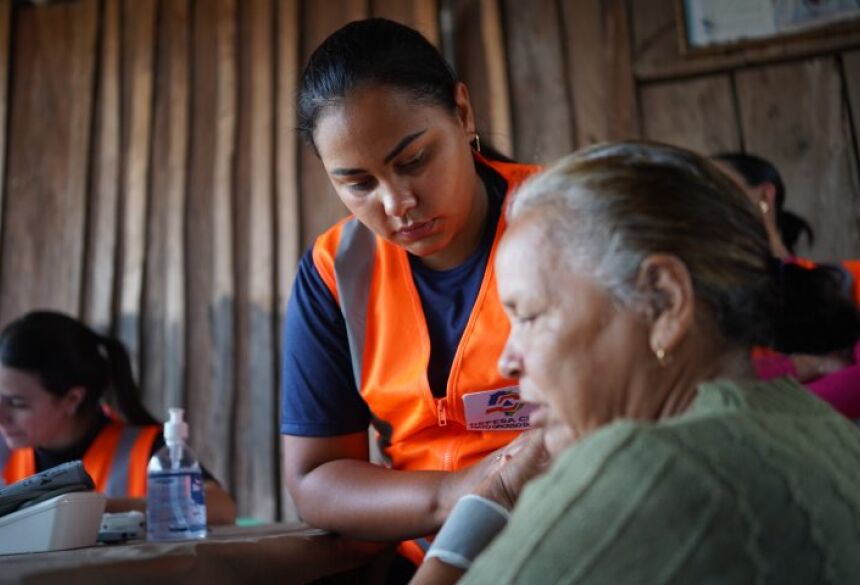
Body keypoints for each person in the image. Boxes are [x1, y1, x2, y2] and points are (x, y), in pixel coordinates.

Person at [411, 141, 860, 584]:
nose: (508, 361)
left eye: (529, 316)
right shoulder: (816, 424)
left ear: (664, 301)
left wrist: (498, 494)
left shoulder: (648, 467)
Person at [280, 17, 543, 569]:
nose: (397, 203)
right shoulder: (335, 271)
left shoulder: (561, 216)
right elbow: (315, 476)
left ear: (462, 113)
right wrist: (458, 494)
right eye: (358, 183)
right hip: (421, 554)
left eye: (414, 160)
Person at [0, 311, 236, 524]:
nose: (1, 417)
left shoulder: (144, 449)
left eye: (17, 403)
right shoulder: (5, 451)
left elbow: (221, 507)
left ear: (72, 399)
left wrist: (104, 509)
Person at [713, 151, 860, 417]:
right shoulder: (702, 308)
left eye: (714, 185)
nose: (703, 201)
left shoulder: (851, 279)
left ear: (765, 195)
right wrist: (808, 365)